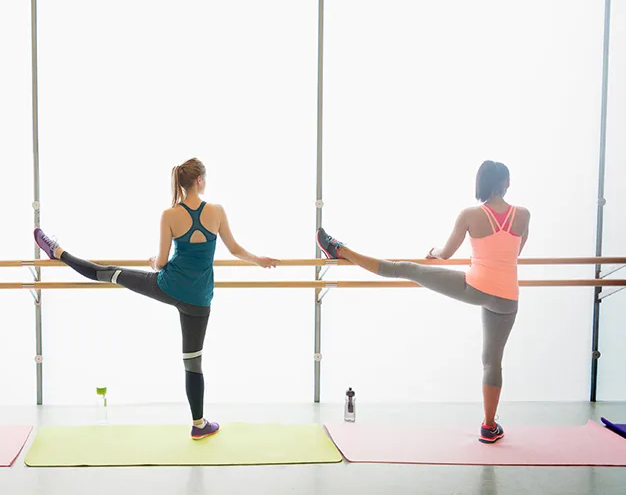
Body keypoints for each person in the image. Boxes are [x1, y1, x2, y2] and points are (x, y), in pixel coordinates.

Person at [34, 157, 278, 439]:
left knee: (110, 273)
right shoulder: (217, 211)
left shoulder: (169, 215)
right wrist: (259, 260)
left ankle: (59, 252)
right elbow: (235, 249)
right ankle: (198, 425)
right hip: (199, 299)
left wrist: (152, 262)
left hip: (167, 286)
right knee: (193, 361)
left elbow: (161, 262)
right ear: (199, 180)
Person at [316, 160, 529, 444]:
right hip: (508, 298)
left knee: (407, 269)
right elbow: (515, 253)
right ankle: (489, 427)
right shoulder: (524, 215)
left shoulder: (470, 215)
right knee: (492, 362)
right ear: (506, 182)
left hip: (476, 288)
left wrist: (434, 251)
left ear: (481, 183)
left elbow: (446, 253)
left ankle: (339, 249)